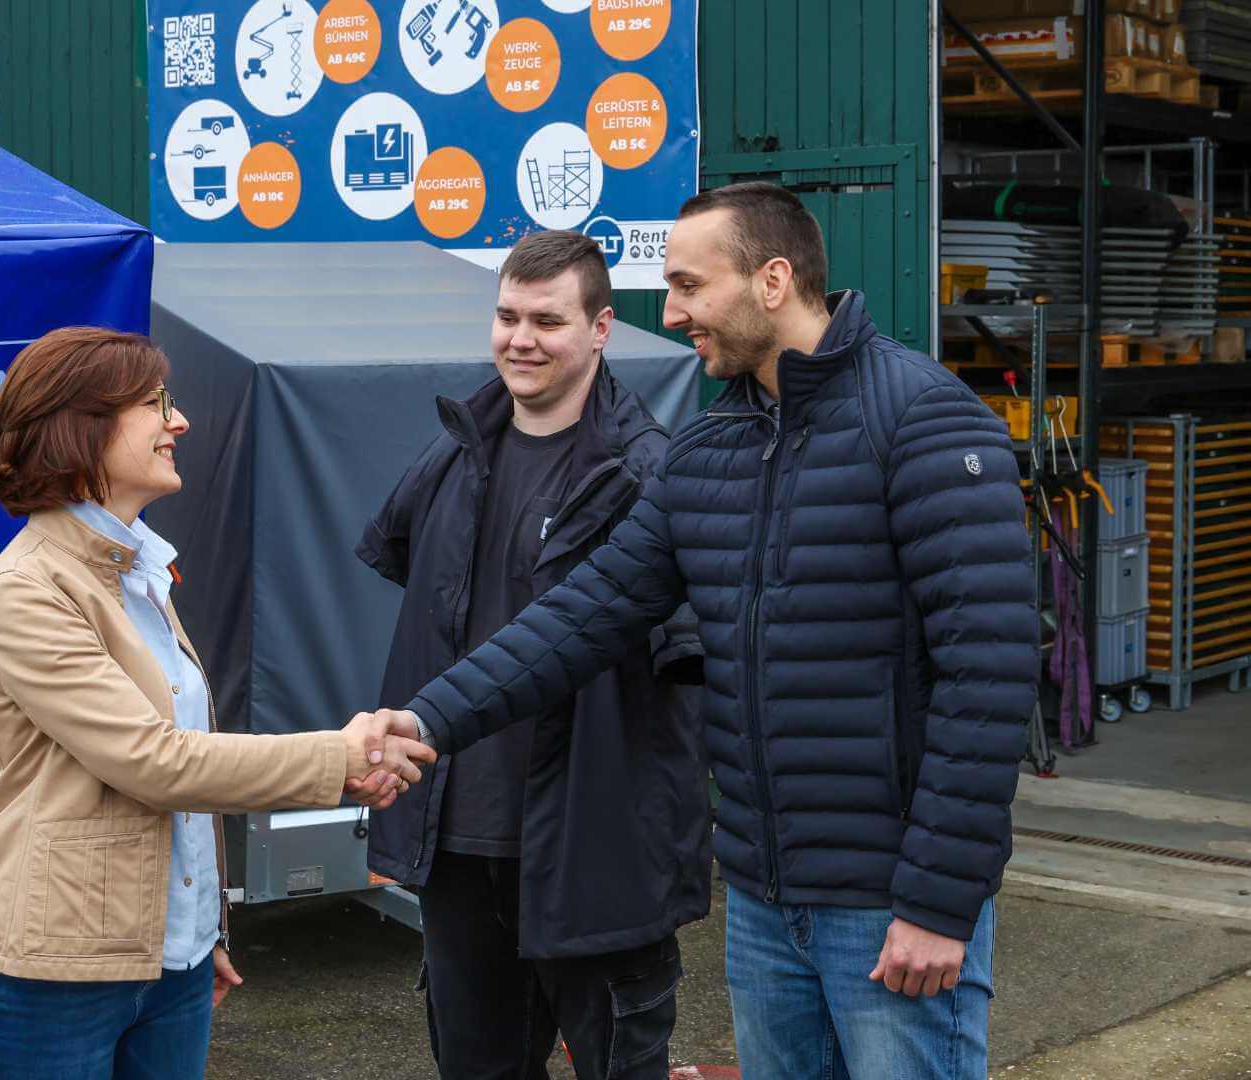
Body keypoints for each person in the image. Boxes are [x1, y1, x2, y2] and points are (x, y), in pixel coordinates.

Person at [360, 183, 1038, 1077]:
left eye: (688, 286)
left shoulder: (921, 419)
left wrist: (943, 902)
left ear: (772, 280)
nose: (672, 312)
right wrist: (427, 721)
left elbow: (988, 677)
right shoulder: (710, 449)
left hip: (887, 906)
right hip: (764, 904)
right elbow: (580, 615)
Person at [0, 327, 434, 1080]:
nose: (180, 422)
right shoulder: (25, 591)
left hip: (172, 963)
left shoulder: (135, 570)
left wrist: (199, 928)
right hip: (43, 979)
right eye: (153, 404)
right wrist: (341, 754)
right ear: (82, 426)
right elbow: (153, 762)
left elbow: (176, 778)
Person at [355, 230, 709, 1080]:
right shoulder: (453, 453)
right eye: (507, 316)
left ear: (600, 329)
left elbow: (684, 663)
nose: (521, 339)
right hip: (458, 844)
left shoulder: (649, 474)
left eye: (548, 321)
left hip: (594, 851)